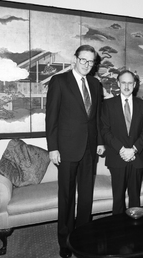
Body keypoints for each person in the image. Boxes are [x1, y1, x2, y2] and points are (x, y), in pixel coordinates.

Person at [46, 44, 105, 258]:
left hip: (89, 149)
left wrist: (99, 141)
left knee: (86, 196)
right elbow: (51, 117)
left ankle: (82, 237)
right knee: (67, 197)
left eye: (91, 62)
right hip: (67, 149)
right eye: (83, 60)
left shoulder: (96, 85)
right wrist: (52, 148)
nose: (87, 65)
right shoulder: (59, 81)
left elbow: (97, 117)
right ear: (75, 59)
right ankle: (65, 241)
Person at [101, 70, 143, 214]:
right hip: (117, 158)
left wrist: (134, 149)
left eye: (130, 83)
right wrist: (122, 150)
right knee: (118, 198)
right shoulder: (108, 104)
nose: (127, 86)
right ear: (118, 83)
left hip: (137, 158)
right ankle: (117, 230)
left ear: (135, 85)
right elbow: (105, 130)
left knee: (135, 198)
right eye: (124, 82)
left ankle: (134, 232)